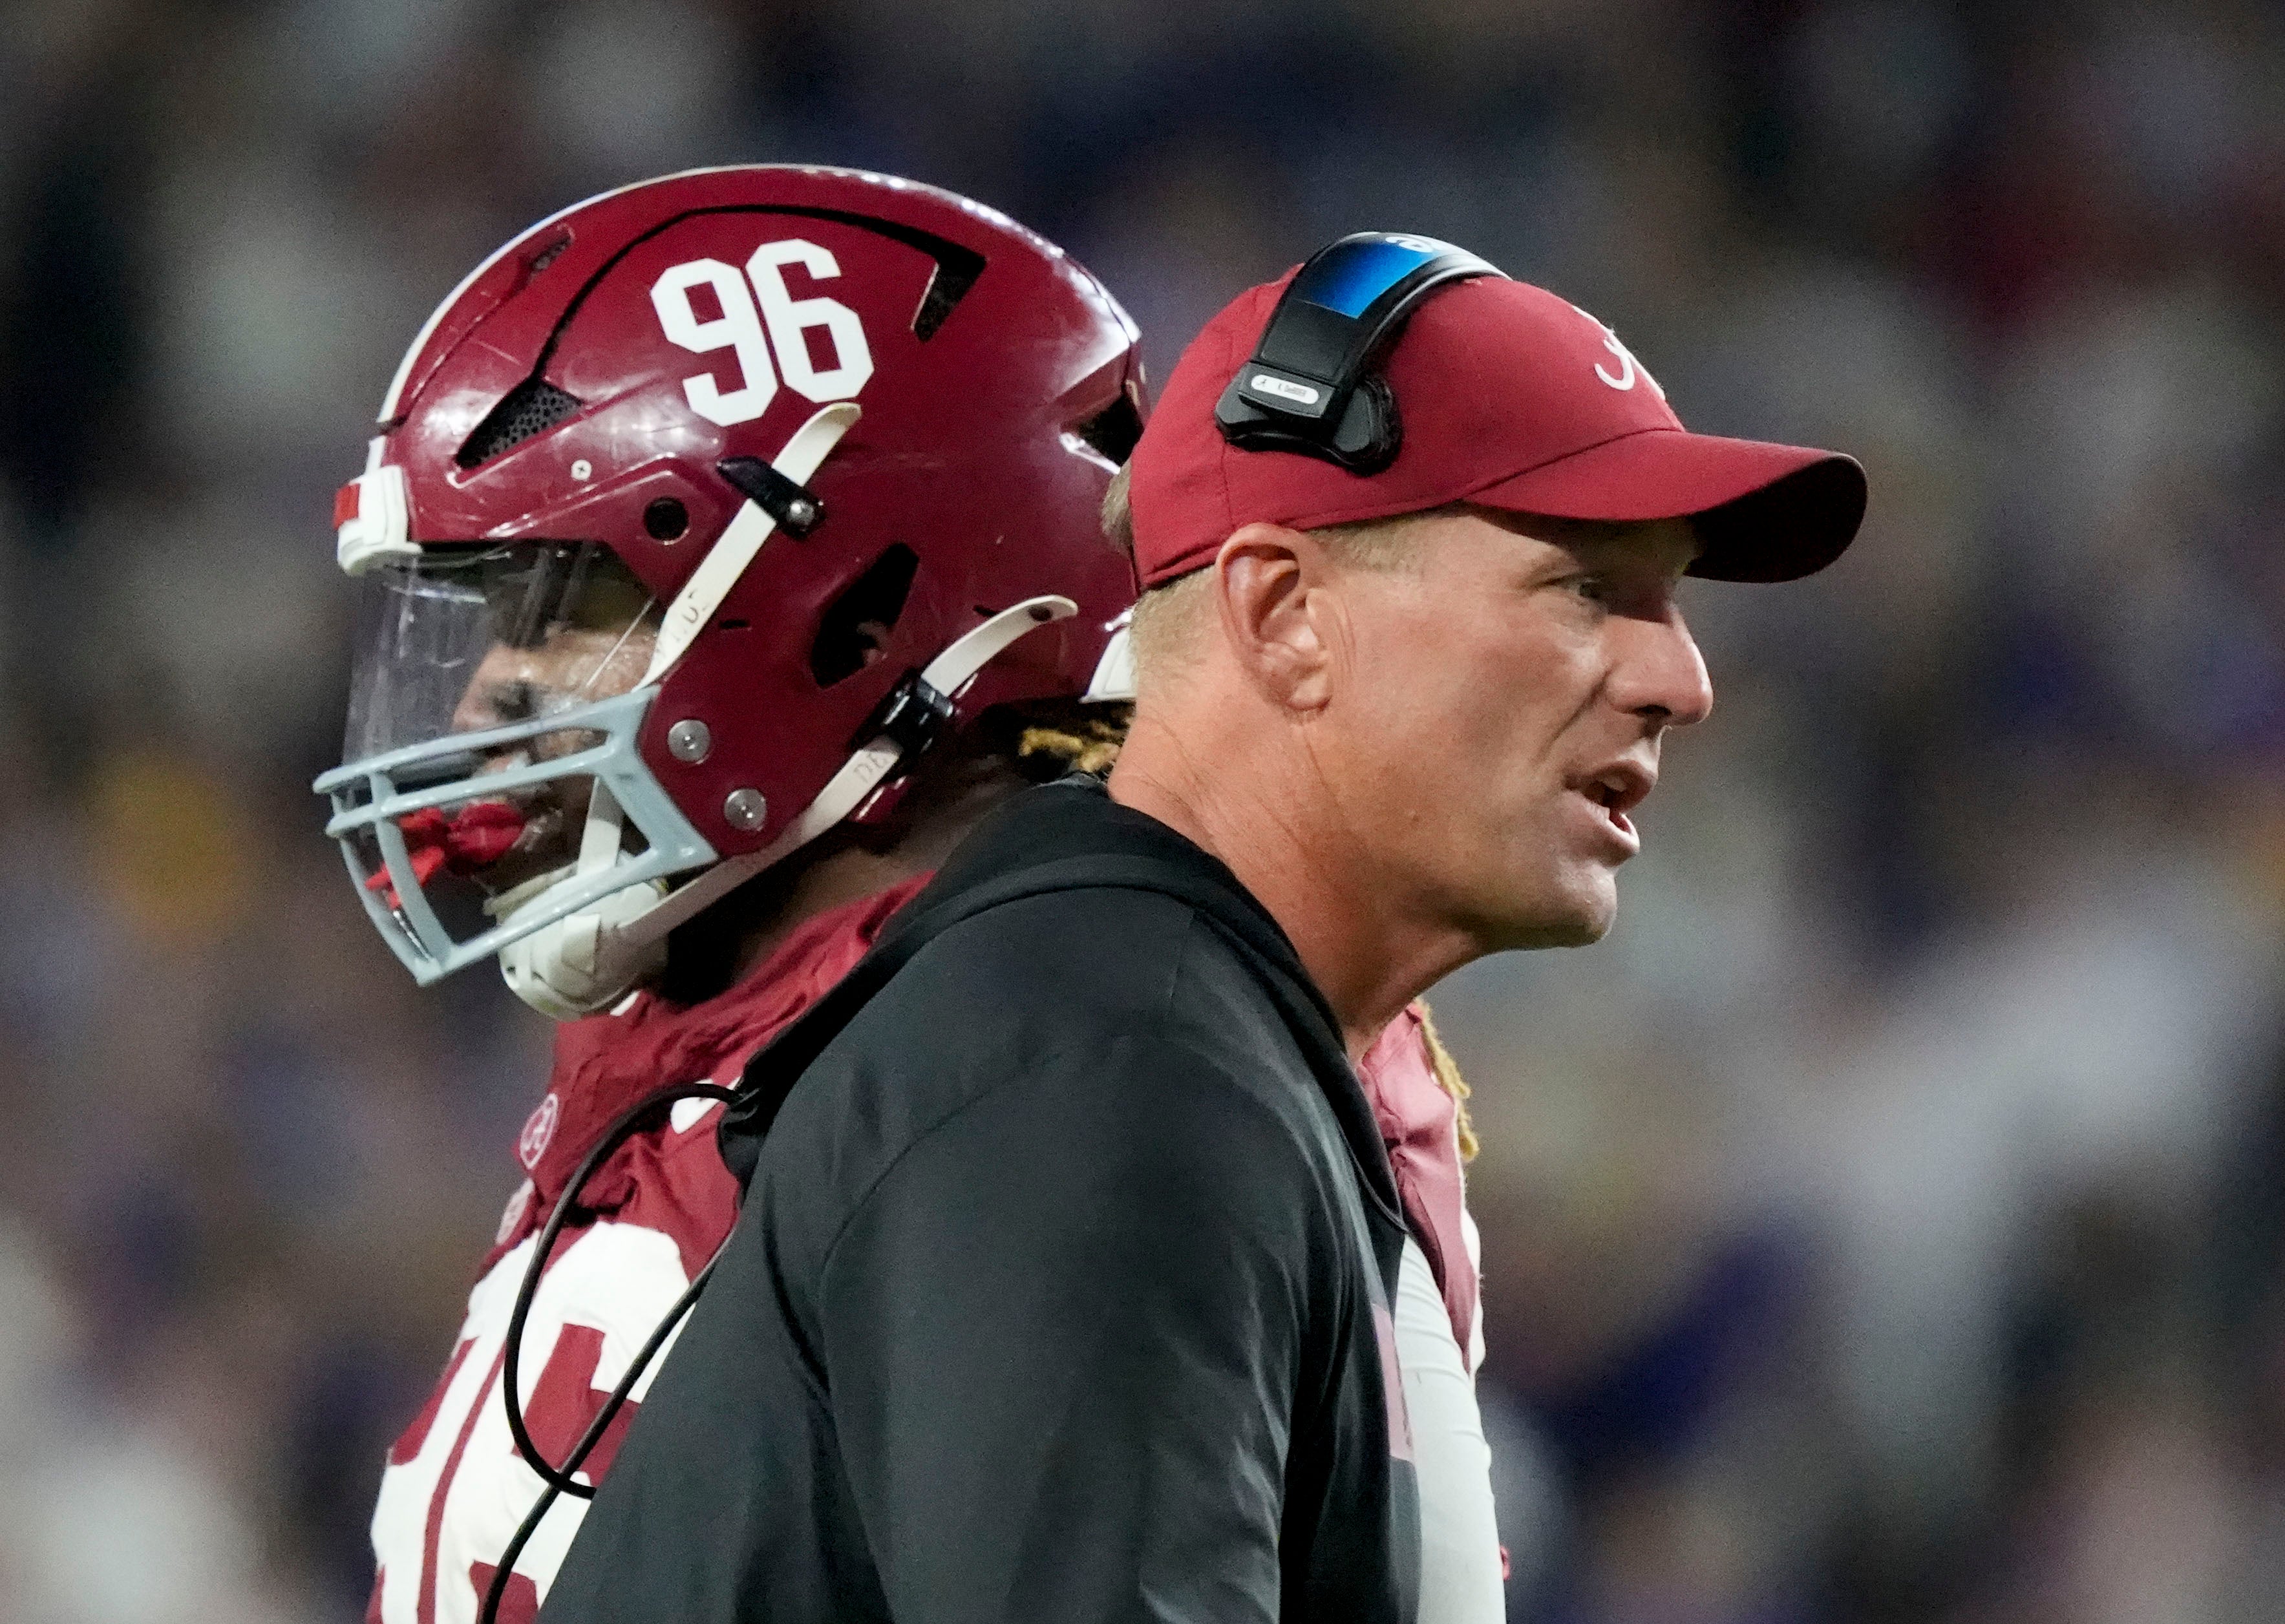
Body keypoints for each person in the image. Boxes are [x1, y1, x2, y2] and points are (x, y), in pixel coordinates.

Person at [535, 237, 1866, 1623]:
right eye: (1587, 588)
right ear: (1284, 615)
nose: (1682, 678)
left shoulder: (1173, 1031)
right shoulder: (1106, 1065)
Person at [322, 178, 1492, 1624]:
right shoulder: (743, 1040)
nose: (496, 684)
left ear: (859, 622)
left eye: (573, 603)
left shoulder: (1063, 1059)